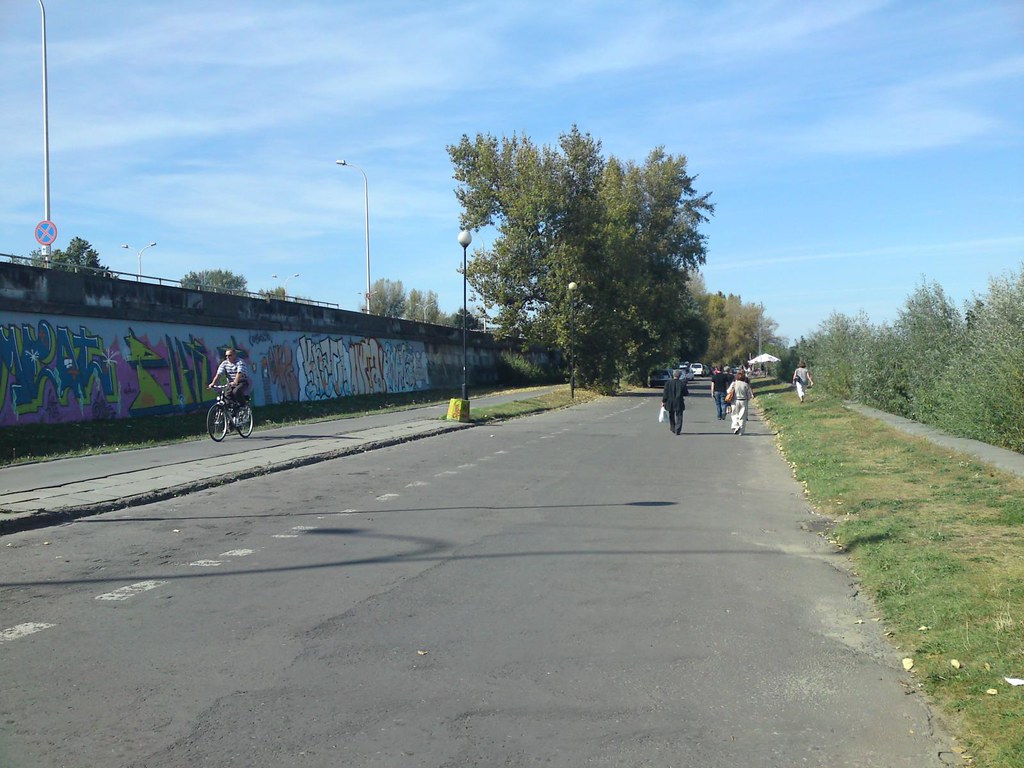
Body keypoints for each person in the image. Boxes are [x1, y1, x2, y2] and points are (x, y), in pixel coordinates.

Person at [661, 368, 689, 435]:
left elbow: (665, 394)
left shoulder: (668, 383)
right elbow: (686, 393)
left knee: (671, 415)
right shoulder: (682, 383)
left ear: (673, 375)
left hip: (670, 402)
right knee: (679, 416)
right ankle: (678, 429)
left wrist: (663, 401)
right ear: (679, 376)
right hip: (679, 401)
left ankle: (673, 427)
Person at [727, 369, 754, 435]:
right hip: (743, 401)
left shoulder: (734, 383)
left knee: (734, 414)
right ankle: (741, 431)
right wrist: (748, 399)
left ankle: (736, 426)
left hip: (735, 400)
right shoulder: (746, 384)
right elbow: (749, 394)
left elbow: (728, 391)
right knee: (742, 416)